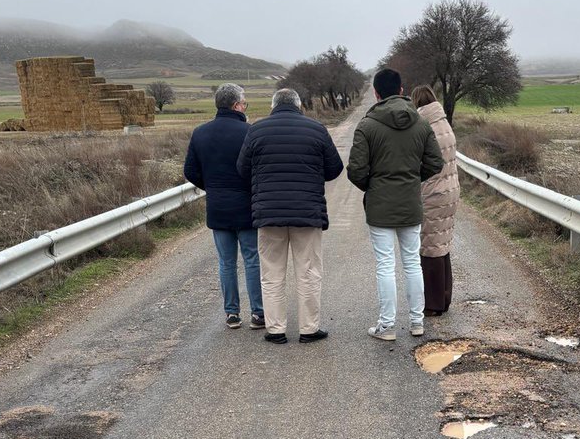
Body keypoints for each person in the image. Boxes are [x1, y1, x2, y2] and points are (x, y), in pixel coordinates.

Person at [237, 88, 344, 344]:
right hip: (307, 213)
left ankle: (276, 330)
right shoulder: (316, 128)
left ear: (274, 105)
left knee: (272, 274)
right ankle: (308, 329)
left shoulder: (256, 130)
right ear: (298, 105)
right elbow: (335, 168)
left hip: (268, 214)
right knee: (308, 271)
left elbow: (242, 169)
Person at [347, 68, 445, 341]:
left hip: (380, 206)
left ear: (376, 93)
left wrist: (374, 186)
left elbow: (355, 170)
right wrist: (413, 179)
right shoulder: (422, 124)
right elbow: (436, 163)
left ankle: (387, 326)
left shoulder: (367, 126)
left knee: (385, 265)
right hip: (411, 204)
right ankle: (417, 322)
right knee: (413, 262)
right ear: (401, 90)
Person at [183, 83, 264, 330]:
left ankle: (232, 313)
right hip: (246, 205)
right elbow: (258, 170)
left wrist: (213, 187)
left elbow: (190, 171)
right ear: (237, 105)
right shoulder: (249, 132)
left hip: (217, 205)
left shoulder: (200, 133)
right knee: (252, 259)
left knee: (226, 262)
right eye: (244, 103)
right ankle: (258, 313)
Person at [411, 84, 459, 316]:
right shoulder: (443, 122)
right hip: (450, 190)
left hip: (433, 192)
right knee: (442, 244)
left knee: (430, 247)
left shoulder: (423, 126)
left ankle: (433, 304)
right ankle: (444, 298)